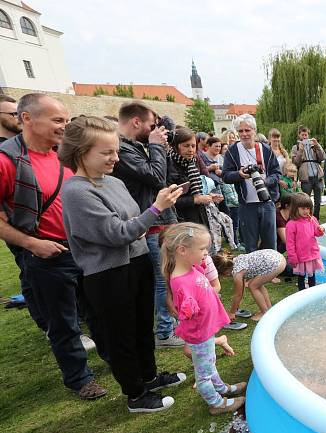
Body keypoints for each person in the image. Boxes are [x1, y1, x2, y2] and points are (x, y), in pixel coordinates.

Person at [60, 116, 187, 412]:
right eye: (106, 153)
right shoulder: (77, 191)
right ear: (81, 153)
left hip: (137, 260)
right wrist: (156, 209)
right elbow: (117, 233)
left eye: (115, 150)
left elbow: (131, 224)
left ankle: (149, 377)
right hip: (109, 274)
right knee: (121, 335)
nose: (115, 158)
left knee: (142, 326)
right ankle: (135, 394)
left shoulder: (113, 181)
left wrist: (139, 223)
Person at [0, 93, 107, 400]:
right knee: (64, 322)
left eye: (66, 119)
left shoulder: (64, 154)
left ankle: (112, 358)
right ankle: (79, 378)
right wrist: (31, 243)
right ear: (27, 119)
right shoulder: (7, 160)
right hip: (47, 254)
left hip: (84, 247)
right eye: (57, 120)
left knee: (98, 311)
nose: (65, 126)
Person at [113, 101, 184, 348]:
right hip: (149, 223)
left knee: (170, 275)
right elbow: (155, 178)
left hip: (162, 219)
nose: (155, 130)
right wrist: (155, 145)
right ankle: (164, 332)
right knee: (162, 278)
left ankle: (171, 325)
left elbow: (165, 176)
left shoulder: (138, 146)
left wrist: (159, 143)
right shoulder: (122, 149)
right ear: (136, 122)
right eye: (152, 125)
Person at [161, 223, 246, 415]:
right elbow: (186, 311)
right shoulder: (180, 281)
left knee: (210, 362)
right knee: (204, 373)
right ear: (182, 250)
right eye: (202, 249)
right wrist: (188, 306)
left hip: (206, 330)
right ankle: (217, 403)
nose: (206, 253)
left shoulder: (190, 269)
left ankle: (223, 388)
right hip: (199, 334)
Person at [222, 114, 281, 252]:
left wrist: (265, 182)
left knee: (270, 242)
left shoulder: (265, 149)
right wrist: (239, 174)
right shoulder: (232, 151)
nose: (244, 134)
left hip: (267, 201)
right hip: (246, 204)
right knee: (250, 243)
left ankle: (271, 272)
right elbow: (225, 175)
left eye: (247, 130)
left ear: (254, 130)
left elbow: (277, 173)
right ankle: (254, 272)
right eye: (241, 131)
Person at [218, 249, 287, 322]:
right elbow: (241, 289)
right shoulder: (237, 260)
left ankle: (264, 313)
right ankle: (269, 309)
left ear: (224, 271)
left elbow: (238, 294)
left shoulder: (237, 273)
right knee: (257, 285)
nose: (225, 277)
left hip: (276, 263)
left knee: (253, 286)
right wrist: (235, 307)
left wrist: (232, 312)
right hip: (277, 257)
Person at [167, 128, 216, 226]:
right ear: (176, 146)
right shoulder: (168, 164)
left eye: (193, 146)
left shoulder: (195, 160)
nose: (190, 150)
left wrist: (210, 195)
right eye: (186, 146)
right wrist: (195, 199)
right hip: (181, 220)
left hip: (200, 215)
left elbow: (203, 182)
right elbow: (167, 200)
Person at [285, 192, 324, 291]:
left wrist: (320, 230)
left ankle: (312, 292)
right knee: (301, 276)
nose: (306, 211)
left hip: (312, 253)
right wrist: (292, 257)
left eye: (308, 208)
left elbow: (317, 233)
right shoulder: (292, 224)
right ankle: (302, 293)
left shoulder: (312, 219)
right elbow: (290, 243)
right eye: (303, 208)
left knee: (312, 275)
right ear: (295, 208)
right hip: (301, 256)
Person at [290, 125, 325, 219]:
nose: (305, 137)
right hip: (306, 178)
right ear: (299, 135)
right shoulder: (295, 147)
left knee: (318, 201)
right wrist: (301, 150)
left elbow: (322, 157)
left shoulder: (313, 145)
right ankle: (307, 217)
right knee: (306, 200)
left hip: (317, 177)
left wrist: (317, 146)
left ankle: (316, 218)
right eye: (303, 135)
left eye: (306, 135)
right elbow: (295, 162)